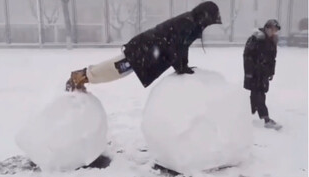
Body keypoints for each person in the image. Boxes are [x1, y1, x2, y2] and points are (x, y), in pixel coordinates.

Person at [65, 1, 222, 92]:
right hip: (143, 49)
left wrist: (183, 65)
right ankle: (81, 76)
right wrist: (180, 66)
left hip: (148, 51)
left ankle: (85, 77)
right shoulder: (188, 23)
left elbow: (182, 47)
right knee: (118, 68)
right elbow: (175, 46)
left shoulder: (192, 24)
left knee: (120, 70)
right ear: (205, 16)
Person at [243, 19, 282, 130]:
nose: (273, 32)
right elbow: (247, 56)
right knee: (259, 95)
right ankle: (265, 118)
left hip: (263, 73)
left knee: (257, 95)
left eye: (275, 30)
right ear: (266, 28)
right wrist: (249, 72)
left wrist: (271, 72)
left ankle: (249, 115)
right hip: (255, 72)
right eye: (272, 29)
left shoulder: (272, 41)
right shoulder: (256, 39)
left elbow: (272, 59)